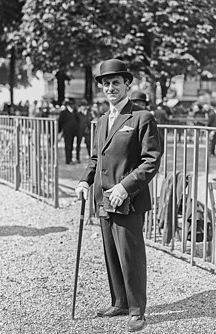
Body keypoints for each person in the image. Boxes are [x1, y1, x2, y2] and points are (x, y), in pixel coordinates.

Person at [75, 59, 161, 332]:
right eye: (106, 83)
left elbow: (151, 161)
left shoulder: (141, 117)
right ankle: (120, 302)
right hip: (103, 199)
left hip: (128, 198)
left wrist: (125, 187)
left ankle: (137, 311)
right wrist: (84, 181)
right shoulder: (101, 121)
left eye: (116, 82)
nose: (110, 87)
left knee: (130, 255)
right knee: (112, 253)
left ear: (127, 84)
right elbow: (94, 158)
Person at [58, 98, 78, 164]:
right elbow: (60, 122)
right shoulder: (64, 112)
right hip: (67, 132)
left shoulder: (75, 112)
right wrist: (59, 131)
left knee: (71, 145)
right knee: (68, 145)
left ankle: (71, 159)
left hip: (73, 131)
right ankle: (68, 160)